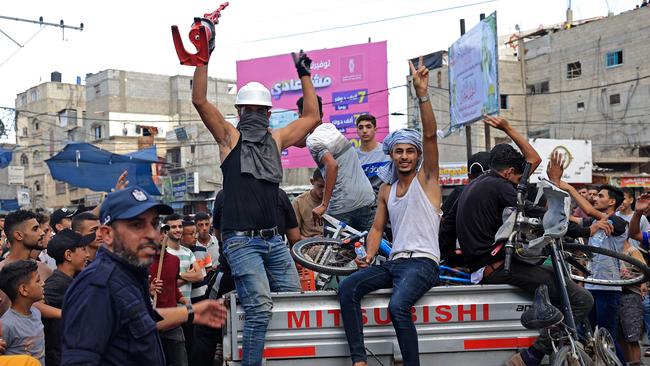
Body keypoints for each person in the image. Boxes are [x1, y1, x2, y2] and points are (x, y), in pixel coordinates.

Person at [193, 38, 320, 363]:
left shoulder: (275, 141)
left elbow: (311, 117)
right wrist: (203, 56)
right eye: (249, 110)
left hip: (274, 241)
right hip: (240, 242)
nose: (255, 115)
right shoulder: (229, 138)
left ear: (267, 113)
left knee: (295, 303)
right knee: (260, 306)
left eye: (260, 111)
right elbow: (200, 100)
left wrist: (305, 74)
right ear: (239, 112)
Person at [457, 118, 587, 366]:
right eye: (518, 179)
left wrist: (507, 128)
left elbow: (532, 161)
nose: (520, 184)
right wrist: (586, 229)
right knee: (581, 299)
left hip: (488, 266)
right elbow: (540, 216)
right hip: (497, 268)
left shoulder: (478, 185)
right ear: (508, 173)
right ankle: (531, 355)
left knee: (562, 284)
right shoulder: (502, 187)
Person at [338, 57, 441, 366]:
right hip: (395, 262)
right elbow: (376, 229)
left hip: (423, 264)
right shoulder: (385, 189)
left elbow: (432, 136)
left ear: (418, 155)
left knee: (397, 306)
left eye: (410, 151)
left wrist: (422, 94)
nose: (405, 156)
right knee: (347, 288)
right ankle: (359, 360)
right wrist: (369, 256)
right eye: (399, 151)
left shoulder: (428, 181)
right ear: (392, 155)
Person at [60, 187, 227, 365]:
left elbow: (142, 321)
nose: (151, 234)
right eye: (137, 225)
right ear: (107, 234)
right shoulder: (96, 287)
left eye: (154, 223)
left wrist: (193, 312)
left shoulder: (128, 274)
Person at [192, 188, 301, 366]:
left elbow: (220, 236)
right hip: (274, 277)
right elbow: (294, 237)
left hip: (231, 274)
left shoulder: (225, 194)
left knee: (206, 327)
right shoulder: (278, 193)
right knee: (281, 313)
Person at [548, 154, 628, 364]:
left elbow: (588, 210)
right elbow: (572, 219)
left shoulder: (619, 223)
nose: (595, 198)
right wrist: (555, 189)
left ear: (612, 202)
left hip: (609, 288)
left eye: (600, 196)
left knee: (606, 337)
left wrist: (568, 187)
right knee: (588, 336)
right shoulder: (593, 221)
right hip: (591, 287)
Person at [306, 122, 376, 233]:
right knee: (371, 246)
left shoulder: (312, 141)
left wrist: (324, 205)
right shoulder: (331, 128)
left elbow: (332, 166)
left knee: (333, 249)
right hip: (366, 200)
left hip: (341, 205)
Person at [42, 229, 91, 366]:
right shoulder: (57, 282)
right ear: (68, 255)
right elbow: (34, 305)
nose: (87, 254)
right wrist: (66, 314)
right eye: (83, 249)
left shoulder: (73, 279)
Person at [0, 211, 57, 321]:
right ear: (19, 235)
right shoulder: (1, 270)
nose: (42, 233)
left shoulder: (45, 270)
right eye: (35, 229)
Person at [438, 151, 491, 266]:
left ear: (469, 176)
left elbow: (443, 222)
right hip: (491, 259)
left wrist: (449, 257)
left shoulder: (460, 192)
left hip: (462, 258)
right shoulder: (501, 192)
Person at [149, 236, 189, 366]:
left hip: (173, 322)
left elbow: (172, 286)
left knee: (181, 362)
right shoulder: (143, 263)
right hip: (152, 322)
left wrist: (183, 299)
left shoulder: (174, 260)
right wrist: (149, 289)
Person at [0, 260, 45, 364]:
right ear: (24, 289)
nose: (43, 283)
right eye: (38, 281)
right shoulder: (6, 325)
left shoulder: (36, 313)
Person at [164, 214, 204, 303]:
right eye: (173, 227)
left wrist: (179, 275)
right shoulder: (163, 253)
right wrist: (188, 276)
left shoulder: (188, 252)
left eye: (180, 226)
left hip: (187, 307)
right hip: (170, 308)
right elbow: (167, 285)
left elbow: (199, 276)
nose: (178, 230)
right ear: (166, 231)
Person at [355, 114, 390, 196]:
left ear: (375, 129)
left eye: (368, 127)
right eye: (361, 127)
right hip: (362, 204)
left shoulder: (387, 152)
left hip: (385, 202)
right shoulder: (353, 157)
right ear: (357, 131)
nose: (364, 131)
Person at [292, 169, 325, 239]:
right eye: (320, 186)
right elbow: (294, 234)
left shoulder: (336, 200)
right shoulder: (298, 202)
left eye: (327, 186)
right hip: (309, 244)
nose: (324, 191)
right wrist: (311, 242)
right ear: (312, 182)